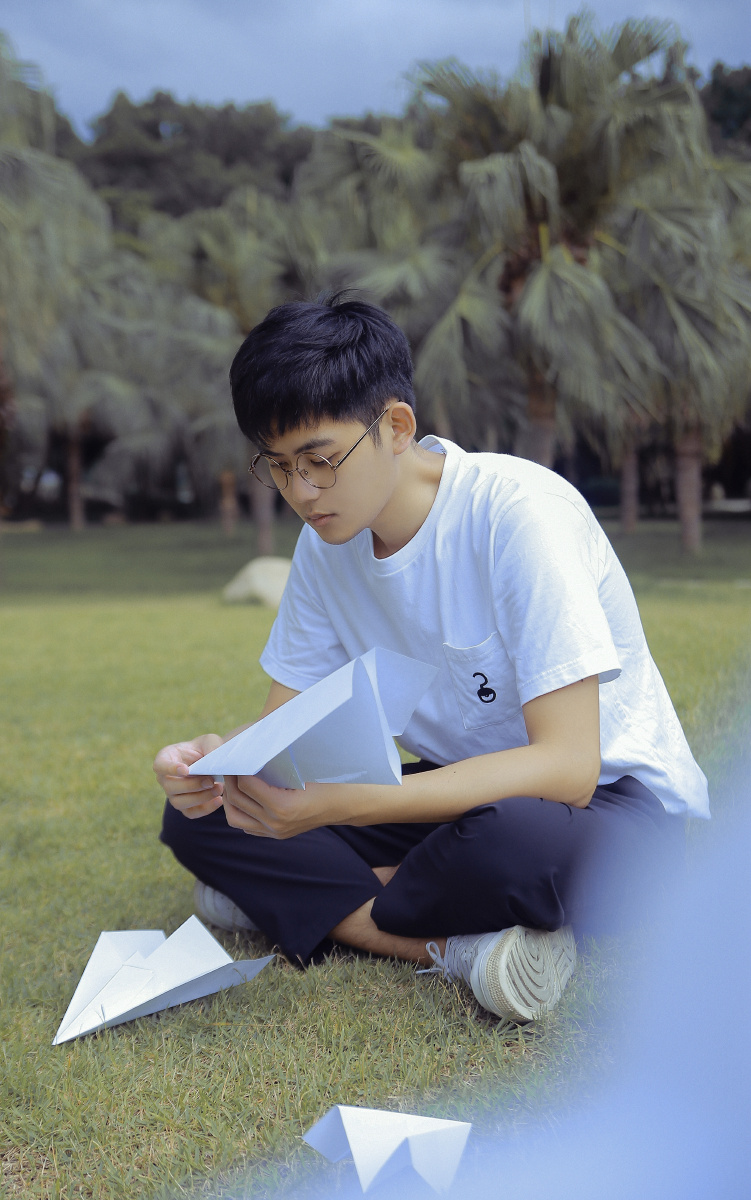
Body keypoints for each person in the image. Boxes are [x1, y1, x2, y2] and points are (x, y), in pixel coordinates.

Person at [154, 296, 709, 1023]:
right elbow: (282, 738)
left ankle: (290, 900)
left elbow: (569, 769)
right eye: (280, 467)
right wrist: (218, 766)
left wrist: (342, 811)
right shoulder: (325, 546)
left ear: (395, 426)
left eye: (320, 460)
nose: (303, 493)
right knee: (207, 820)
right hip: (460, 795)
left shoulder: (517, 513)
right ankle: (460, 948)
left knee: (507, 843)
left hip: (613, 806)